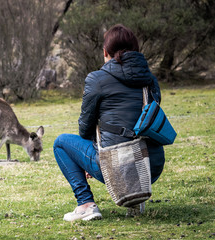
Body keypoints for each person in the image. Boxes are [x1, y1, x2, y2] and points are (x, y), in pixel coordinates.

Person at [53, 24, 165, 221]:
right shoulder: (150, 80)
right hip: (151, 165)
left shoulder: (96, 79)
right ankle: (137, 200)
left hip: (116, 167)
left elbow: (85, 126)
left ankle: (86, 204)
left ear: (105, 52)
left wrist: (87, 158)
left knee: (61, 143)